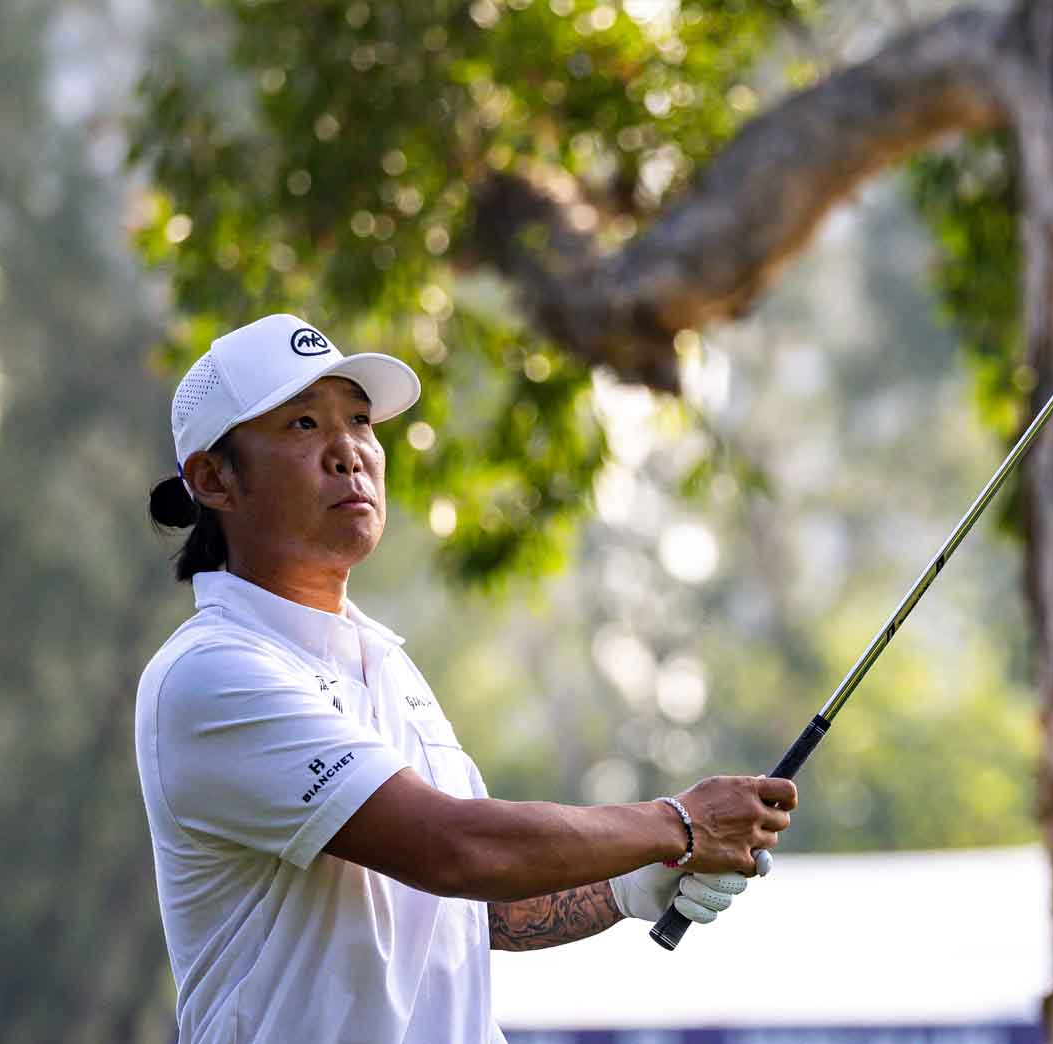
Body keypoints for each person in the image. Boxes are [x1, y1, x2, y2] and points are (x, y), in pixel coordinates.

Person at [135, 313, 796, 1043]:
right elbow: (456, 848)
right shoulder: (211, 674)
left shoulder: (386, 663)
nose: (349, 451)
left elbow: (477, 906)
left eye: (359, 419)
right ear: (214, 478)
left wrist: (630, 882)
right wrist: (674, 822)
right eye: (301, 424)